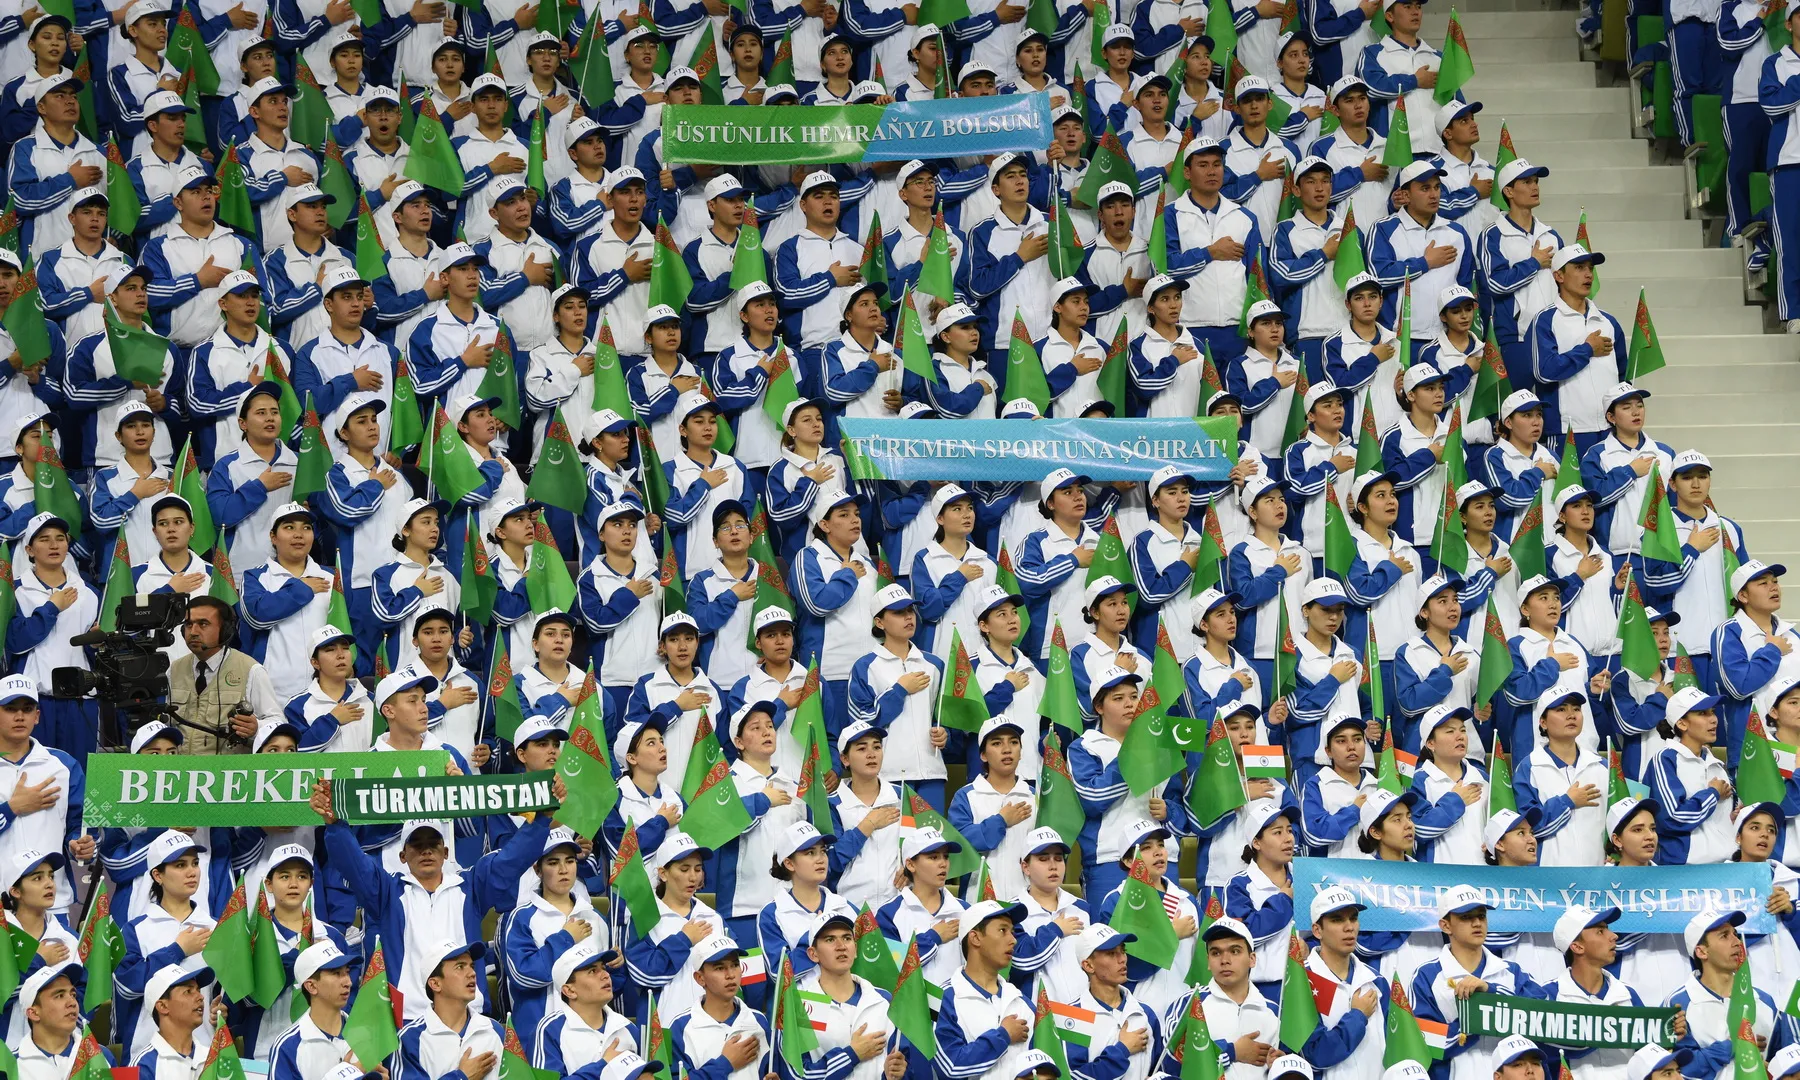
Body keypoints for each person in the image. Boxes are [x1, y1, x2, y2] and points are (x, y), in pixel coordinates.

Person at [312, 764, 554, 1022]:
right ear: (403, 856)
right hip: (409, 1020)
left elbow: (513, 859)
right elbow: (353, 862)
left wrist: (543, 820)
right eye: (417, 845)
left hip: (470, 1017)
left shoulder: (471, 886)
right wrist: (335, 825)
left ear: (445, 852)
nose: (426, 851)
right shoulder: (387, 892)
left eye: (433, 844)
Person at [1409, 885, 1548, 1080]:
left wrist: (1491, 992)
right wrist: (1476, 1016)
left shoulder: (1512, 972)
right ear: (1446, 926)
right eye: (1466, 917)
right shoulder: (1426, 976)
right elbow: (1423, 1042)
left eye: (1481, 916)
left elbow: (1545, 1020)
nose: (1477, 923)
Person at [8, 516, 100, 758]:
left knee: (80, 770)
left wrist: (96, 644)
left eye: (60, 538)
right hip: (34, 701)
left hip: (81, 701)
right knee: (35, 769)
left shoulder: (89, 593)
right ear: (29, 550)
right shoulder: (15, 591)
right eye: (44, 539)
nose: (54, 545)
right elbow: (15, 642)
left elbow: (95, 652)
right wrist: (52, 608)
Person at [1667, 908, 1800, 1077]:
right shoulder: (1679, 1003)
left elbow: (1784, 1063)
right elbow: (1679, 1070)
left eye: (1735, 934)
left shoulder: (1764, 1001)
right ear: (1701, 951)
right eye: (1724, 936)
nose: (1737, 942)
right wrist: (1733, 1046)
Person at [167, 596, 284, 755]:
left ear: (225, 630)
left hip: (228, 769)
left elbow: (278, 723)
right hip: (181, 768)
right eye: (188, 625)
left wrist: (257, 728)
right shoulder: (174, 669)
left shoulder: (250, 669)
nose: (193, 632)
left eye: (203, 624)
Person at [934, 900, 1036, 1080]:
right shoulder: (943, 999)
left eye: (1012, 932)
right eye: (1002, 930)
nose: (1013, 940)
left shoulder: (1022, 1002)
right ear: (975, 938)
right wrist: (1003, 1035)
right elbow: (950, 1066)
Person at [393, 940, 506, 1080]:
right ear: (435, 984)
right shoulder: (410, 1039)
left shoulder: (494, 1030)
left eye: (472, 966)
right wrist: (462, 1077)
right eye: (460, 967)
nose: (472, 973)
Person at [532, 943, 638, 1073]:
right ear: (569, 991)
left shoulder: (627, 1027)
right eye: (592, 971)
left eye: (603, 968)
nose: (606, 975)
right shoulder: (550, 1030)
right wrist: (603, 1066)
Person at [266, 941, 358, 1080]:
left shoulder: (364, 1032)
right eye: (337, 974)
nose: (348, 982)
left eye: (347, 972)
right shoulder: (288, 1047)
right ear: (311, 986)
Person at [128, 965, 214, 1080]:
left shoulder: (213, 1057)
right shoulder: (143, 1067)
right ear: (163, 1006)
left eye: (198, 990)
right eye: (188, 991)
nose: (201, 997)